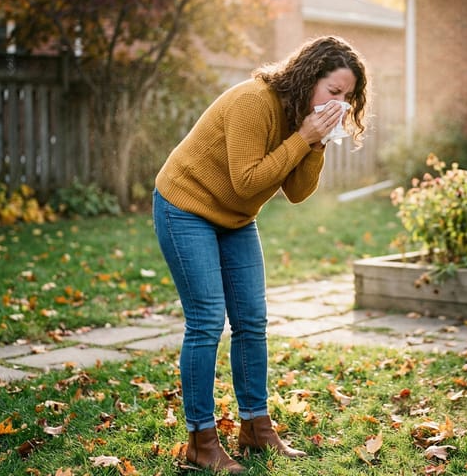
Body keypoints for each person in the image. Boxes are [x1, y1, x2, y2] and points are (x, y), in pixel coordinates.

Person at [152, 35, 369, 473]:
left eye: (346, 98)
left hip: (234, 216)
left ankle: (255, 427)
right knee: (207, 321)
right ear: (309, 78)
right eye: (333, 91)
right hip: (186, 206)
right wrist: (303, 137)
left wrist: (315, 144)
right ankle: (200, 441)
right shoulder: (255, 102)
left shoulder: (301, 119)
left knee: (252, 319)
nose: (338, 104)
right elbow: (247, 181)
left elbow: (297, 192)